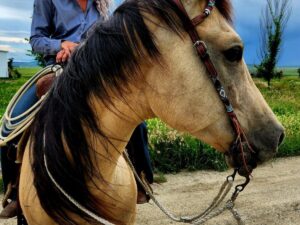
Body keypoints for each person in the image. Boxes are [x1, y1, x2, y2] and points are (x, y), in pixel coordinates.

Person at [0, 0, 153, 218]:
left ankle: (141, 179)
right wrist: (62, 45)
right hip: (57, 70)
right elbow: (36, 39)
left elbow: (106, 39)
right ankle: (15, 191)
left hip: (94, 71)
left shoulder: (102, 4)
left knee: (136, 121)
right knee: (10, 125)